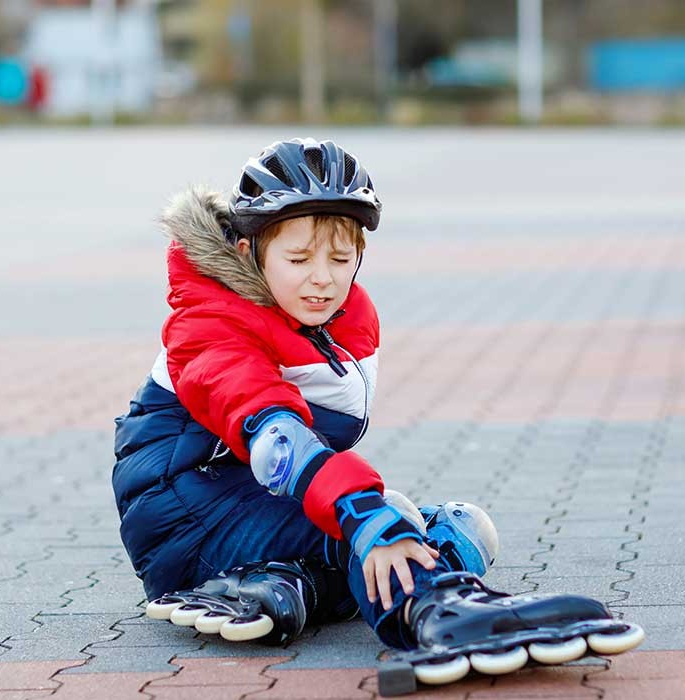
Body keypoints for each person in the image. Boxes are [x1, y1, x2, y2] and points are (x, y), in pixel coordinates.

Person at [112, 138, 642, 693]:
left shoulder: (329, 318)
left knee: (459, 531)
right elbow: (276, 438)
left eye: (340, 259)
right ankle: (435, 614)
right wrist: (366, 519)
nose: (323, 278)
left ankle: (288, 586)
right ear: (248, 253)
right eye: (298, 260)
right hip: (185, 514)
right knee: (381, 521)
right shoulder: (210, 325)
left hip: (251, 500)